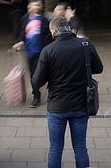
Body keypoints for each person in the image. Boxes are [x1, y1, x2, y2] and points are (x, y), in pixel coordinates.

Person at [33, 16, 103, 168]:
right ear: (69, 28)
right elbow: (99, 68)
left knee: (56, 148)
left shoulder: (48, 50)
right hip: (81, 105)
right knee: (80, 147)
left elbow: (36, 82)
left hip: (57, 107)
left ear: (53, 30)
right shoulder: (85, 44)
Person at [12, 0, 51, 108]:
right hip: (30, 53)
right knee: (33, 76)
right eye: (35, 4)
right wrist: (20, 42)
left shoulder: (44, 20)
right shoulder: (25, 18)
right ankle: (36, 97)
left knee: (43, 75)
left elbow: (49, 36)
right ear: (29, 6)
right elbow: (21, 34)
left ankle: (47, 91)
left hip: (42, 53)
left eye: (39, 4)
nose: (38, 6)